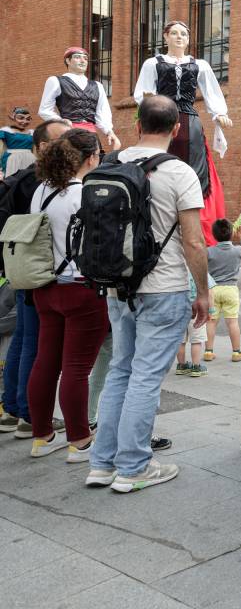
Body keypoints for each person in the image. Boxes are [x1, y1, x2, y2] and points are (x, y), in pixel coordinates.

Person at [89, 95, 209, 493]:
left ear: (137, 123)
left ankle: (102, 463)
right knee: (144, 377)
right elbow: (194, 242)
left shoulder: (113, 163)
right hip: (164, 287)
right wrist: (203, 291)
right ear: (176, 129)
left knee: (121, 370)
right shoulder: (179, 172)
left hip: (117, 286)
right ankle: (134, 466)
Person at [26, 129, 106, 461]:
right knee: (76, 367)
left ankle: (41, 436)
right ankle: (79, 441)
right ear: (89, 158)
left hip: (45, 288)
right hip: (81, 288)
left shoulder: (41, 191)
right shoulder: (84, 194)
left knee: (46, 362)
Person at [0, 119, 70, 437]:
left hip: (22, 270)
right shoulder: (40, 180)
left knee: (24, 339)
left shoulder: (22, 178)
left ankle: (13, 409)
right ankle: (30, 415)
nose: (68, 145)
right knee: (35, 344)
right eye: (62, 140)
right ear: (42, 147)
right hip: (38, 273)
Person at [134, 20, 232, 246]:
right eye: (174, 33)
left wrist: (219, 114)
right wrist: (148, 101)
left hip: (189, 121)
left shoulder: (200, 65)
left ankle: (195, 224)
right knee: (157, 164)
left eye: (184, 35)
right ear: (165, 37)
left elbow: (212, 93)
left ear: (188, 40)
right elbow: (142, 94)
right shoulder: (152, 63)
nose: (179, 37)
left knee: (196, 169)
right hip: (161, 119)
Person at [38, 48, 120, 150]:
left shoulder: (97, 86)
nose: (82, 61)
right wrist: (61, 121)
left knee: (93, 163)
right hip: (69, 133)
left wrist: (109, 132)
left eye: (85, 58)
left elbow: (103, 112)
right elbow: (44, 110)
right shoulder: (56, 81)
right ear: (68, 61)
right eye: (77, 57)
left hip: (91, 135)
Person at [205, 219, 241, 362]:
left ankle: (208, 351)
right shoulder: (237, 250)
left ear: (214, 235)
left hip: (213, 290)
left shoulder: (209, 252)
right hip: (231, 289)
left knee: (211, 322)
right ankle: (236, 352)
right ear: (231, 234)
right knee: (232, 322)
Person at [177, 273, 215, 377]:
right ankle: (196, 367)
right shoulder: (202, 273)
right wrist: (210, 310)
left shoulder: (178, 272)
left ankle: (181, 365)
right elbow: (210, 293)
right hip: (198, 310)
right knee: (196, 340)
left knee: (180, 340)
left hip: (179, 310)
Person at [0, 106, 34, 175]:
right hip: (12, 159)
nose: (24, 121)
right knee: (12, 180)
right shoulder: (6, 131)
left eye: (28, 119)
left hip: (30, 159)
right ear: (13, 118)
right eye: (21, 118)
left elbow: (35, 150)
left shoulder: (32, 133)